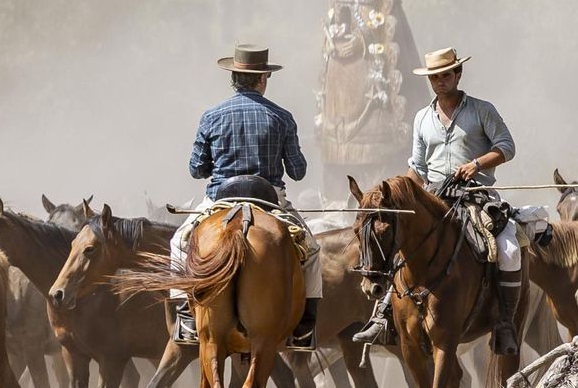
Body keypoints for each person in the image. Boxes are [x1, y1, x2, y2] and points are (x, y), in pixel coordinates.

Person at [352, 47, 551, 355]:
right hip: (432, 197)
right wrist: (398, 194)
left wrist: (477, 164)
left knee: (509, 248)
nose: (440, 81)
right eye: (434, 76)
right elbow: (417, 168)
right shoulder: (421, 118)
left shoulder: (482, 110)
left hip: (475, 196)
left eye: (446, 75)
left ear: (458, 74)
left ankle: (505, 323)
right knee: (394, 239)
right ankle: (383, 316)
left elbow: (506, 147)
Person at [172, 43, 322, 351]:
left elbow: (196, 169)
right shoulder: (282, 117)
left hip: (220, 200)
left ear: (233, 77)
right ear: (263, 78)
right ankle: (305, 327)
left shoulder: (211, 116)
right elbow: (298, 171)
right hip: (269, 201)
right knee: (313, 251)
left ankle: (187, 317)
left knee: (178, 243)